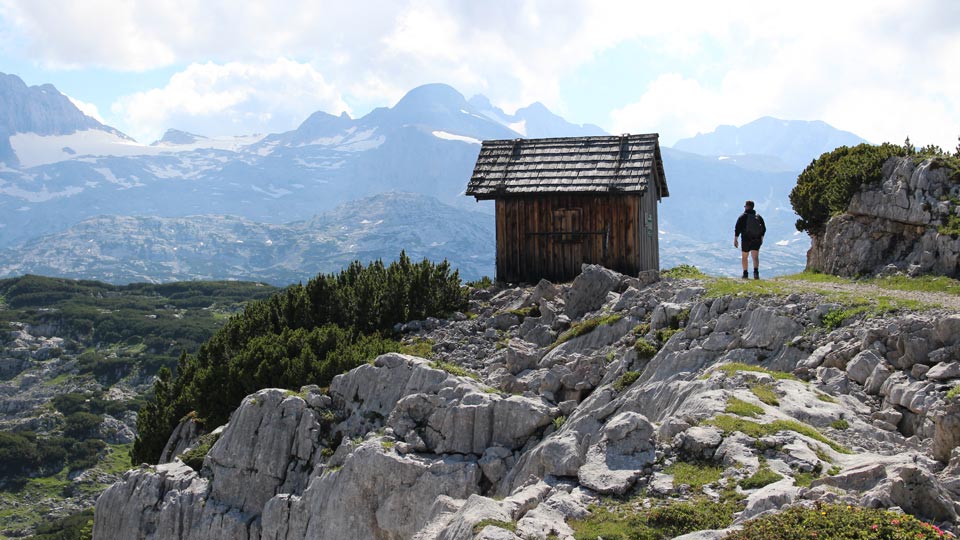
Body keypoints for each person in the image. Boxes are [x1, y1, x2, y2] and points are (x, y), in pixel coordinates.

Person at [734, 200, 766, 279]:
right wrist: (761, 238)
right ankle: (756, 273)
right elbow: (764, 229)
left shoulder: (742, 217)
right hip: (757, 239)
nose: (744, 207)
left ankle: (745, 274)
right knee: (755, 257)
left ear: (747, 206)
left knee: (745, 256)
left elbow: (737, 228)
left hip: (746, 239)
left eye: (745, 206)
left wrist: (735, 239)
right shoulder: (758, 217)